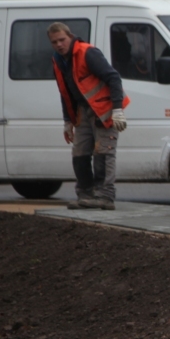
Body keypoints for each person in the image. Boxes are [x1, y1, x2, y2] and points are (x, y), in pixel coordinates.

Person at [49, 22, 130, 210]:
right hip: (83, 111)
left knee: (104, 152)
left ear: (70, 36)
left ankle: (105, 196)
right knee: (80, 154)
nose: (59, 44)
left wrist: (117, 109)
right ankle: (86, 195)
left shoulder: (87, 53)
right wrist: (68, 121)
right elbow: (65, 92)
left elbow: (113, 77)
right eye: (54, 42)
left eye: (62, 40)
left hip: (104, 109)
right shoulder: (59, 61)